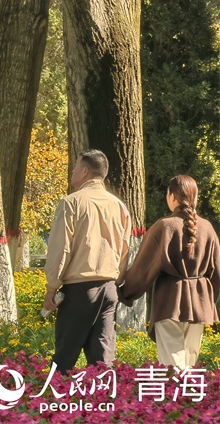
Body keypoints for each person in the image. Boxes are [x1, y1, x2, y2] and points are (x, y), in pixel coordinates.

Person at [118, 176, 220, 368]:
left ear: (172, 196)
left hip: (169, 301)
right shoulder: (207, 228)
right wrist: (209, 300)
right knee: (189, 362)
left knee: (172, 363)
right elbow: (217, 271)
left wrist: (125, 292)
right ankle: (189, 397)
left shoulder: (164, 226)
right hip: (200, 303)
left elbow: (143, 268)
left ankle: (176, 396)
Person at [44, 150, 132, 373]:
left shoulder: (71, 203)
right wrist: (116, 279)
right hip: (109, 289)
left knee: (64, 358)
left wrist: (51, 287)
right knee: (102, 360)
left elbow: (60, 249)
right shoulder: (119, 206)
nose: (72, 171)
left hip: (79, 291)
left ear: (84, 171)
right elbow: (125, 249)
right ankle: (104, 404)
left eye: (75, 167)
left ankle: (54, 405)